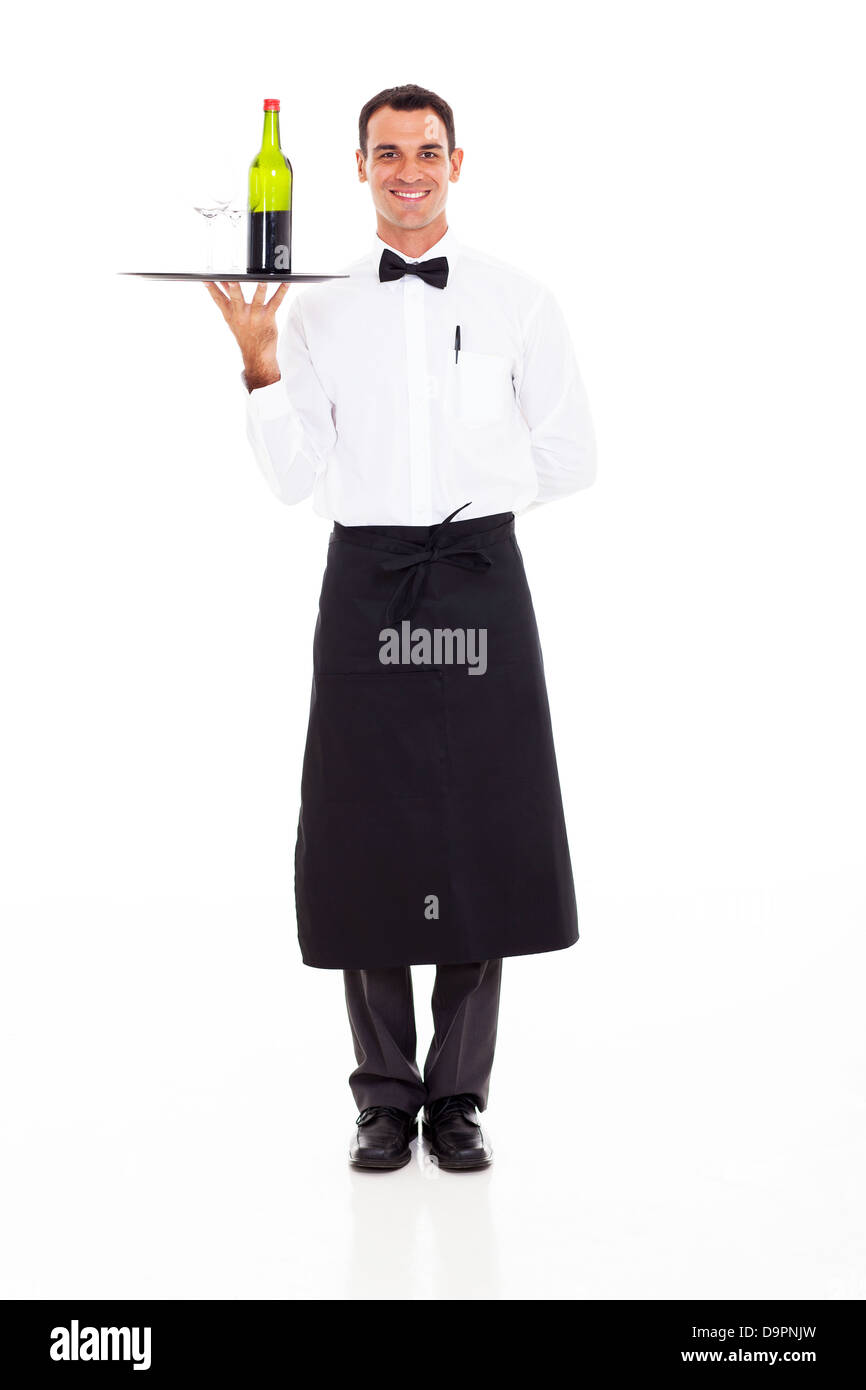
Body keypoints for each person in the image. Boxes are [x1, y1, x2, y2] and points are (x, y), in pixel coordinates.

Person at [205, 83, 597, 1172]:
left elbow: (572, 458)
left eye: (426, 151)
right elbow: (292, 478)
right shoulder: (318, 309)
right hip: (368, 581)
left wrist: (466, 488)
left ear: (456, 163)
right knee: (367, 833)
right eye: (387, 152)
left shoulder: (519, 299)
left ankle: (457, 1098)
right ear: (360, 167)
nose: (407, 169)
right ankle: (383, 1097)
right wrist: (257, 359)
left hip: (474, 578)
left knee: (478, 829)